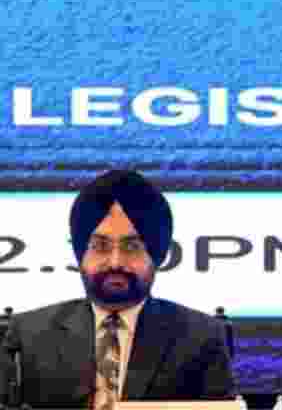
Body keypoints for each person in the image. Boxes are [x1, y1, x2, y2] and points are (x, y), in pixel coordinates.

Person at [1, 170, 235, 408]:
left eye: (132, 247)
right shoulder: (29, 335)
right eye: (100, 246)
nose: (115, 262)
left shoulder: (202, 338)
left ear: (157, 255)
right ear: (81, 254)